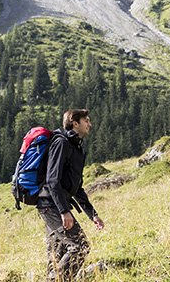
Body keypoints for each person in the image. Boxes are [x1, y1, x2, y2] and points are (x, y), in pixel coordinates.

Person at [38, 109, 105, 280]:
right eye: (86, 121)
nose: (90, 124)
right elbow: (52, 180)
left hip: (56, 203)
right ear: (75, 123)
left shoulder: (77, 148)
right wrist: (63, 211)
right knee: (80, 245)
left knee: (56, 255)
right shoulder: (61, 143)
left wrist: (93, 215)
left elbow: (77, 187)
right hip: (50, 205)